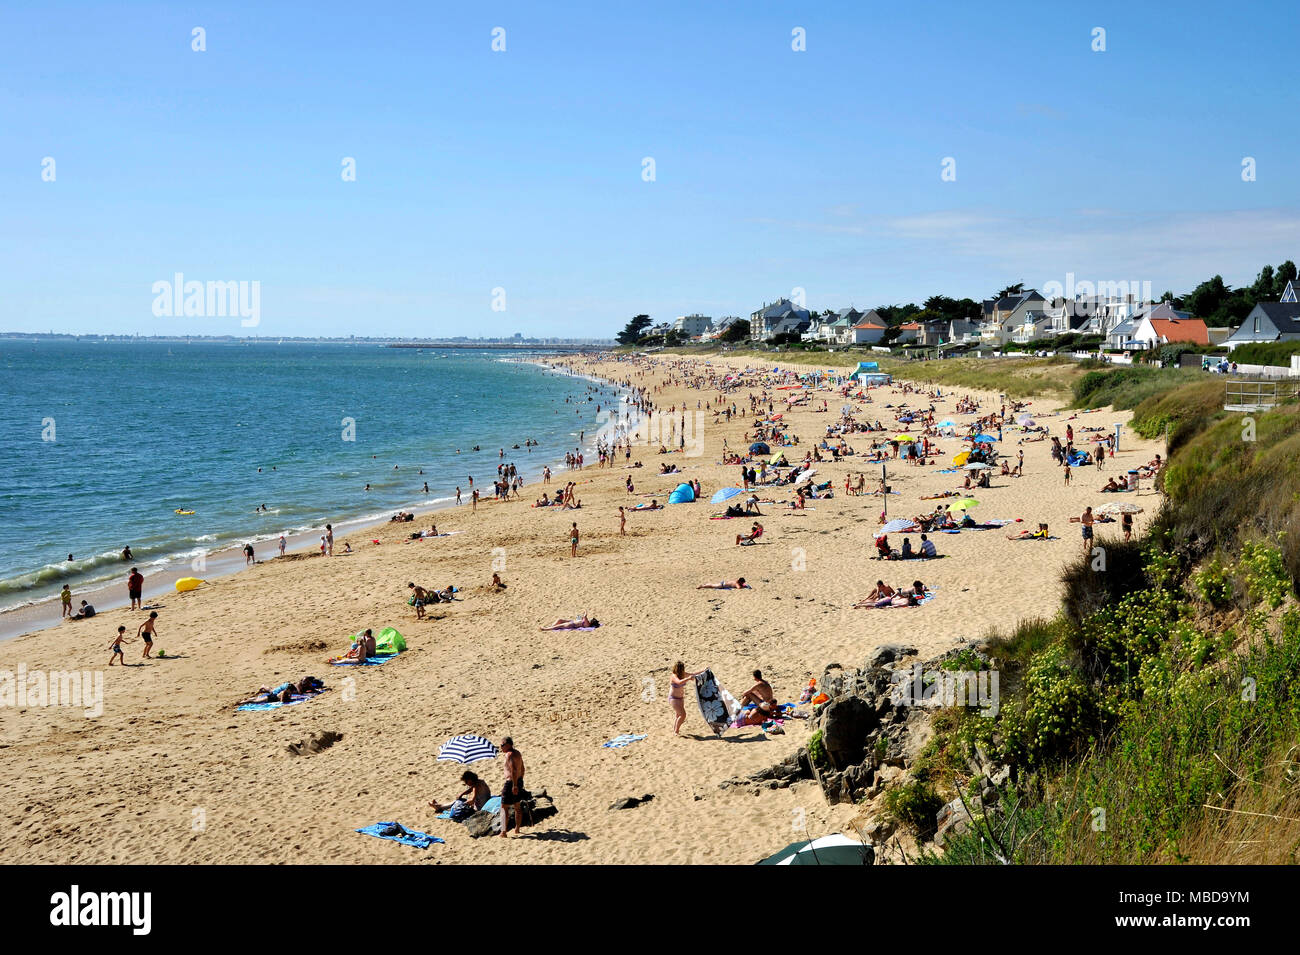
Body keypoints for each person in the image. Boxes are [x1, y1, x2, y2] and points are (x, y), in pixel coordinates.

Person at [499, 738, 526, 838]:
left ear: (508, 745)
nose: (501, 747)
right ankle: (517, 829)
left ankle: (503, 832)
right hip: (518, 780)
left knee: (504, 807)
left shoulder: (509, 754)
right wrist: (520, 781)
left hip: (511, 782)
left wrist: (514, 785)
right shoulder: (518, 753)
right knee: (517, 806)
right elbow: (522, 768)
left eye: (502, 745)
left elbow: (514, 770)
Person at [670, 661, 701, 735]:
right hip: (673, 698)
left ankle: (675, 729)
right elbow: (679, 682)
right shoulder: (673, 676)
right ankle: (676, 731)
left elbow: (693, 674)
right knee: (683, 715)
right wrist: (688, 679)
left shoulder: (683, 674)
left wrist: (704, 670)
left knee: (678, 715)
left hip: (680, 698)